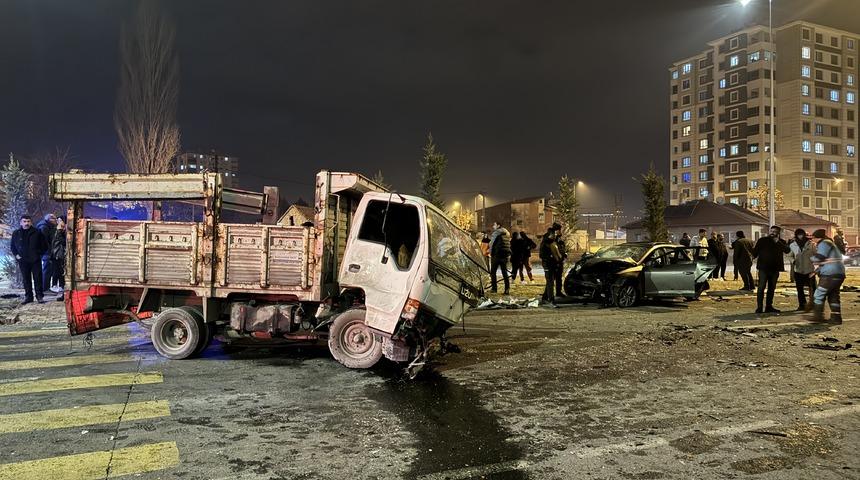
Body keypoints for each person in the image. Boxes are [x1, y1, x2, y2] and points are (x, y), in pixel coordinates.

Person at [809, 229, 845, 324]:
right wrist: (816, 271)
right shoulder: (829, 243)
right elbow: (827, 261)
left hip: (830, 274)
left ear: (818, 238)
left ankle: (818, 317)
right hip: (838, 274)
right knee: (833, 296)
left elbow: (820, 258)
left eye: (813, 238)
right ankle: (836, 318)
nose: (812, 240)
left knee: (818, 294)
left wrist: (810, 258)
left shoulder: (824, 243)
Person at [10, 214, 48, 304]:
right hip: (23, 260)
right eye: (24, 221)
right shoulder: (16, 233)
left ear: (31, 222)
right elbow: (12, 246)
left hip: (35, 259)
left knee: (38, 278)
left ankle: (39, 296)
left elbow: (45, 245)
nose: (26, 223)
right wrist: (17, 255)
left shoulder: (37, 232)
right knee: (26, 279)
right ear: (21, 223)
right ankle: (28, 297)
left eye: (28, 221)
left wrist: (39, 254)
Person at [752, 225, 790, 314]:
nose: (772, 233)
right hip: (763, 268)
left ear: (778, 233)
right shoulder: (763, 240)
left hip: (775, 268)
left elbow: (787, 251)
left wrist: (778, 242)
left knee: (771, 288)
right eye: (771, 231)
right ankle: (759, 307)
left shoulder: (781, 242)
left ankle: (769, 306)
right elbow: (755, 252)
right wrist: (752, 255)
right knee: (761, 287)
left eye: (775, 232)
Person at [788, 228, 816, 312]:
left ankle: (813, 305)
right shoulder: (793, 245)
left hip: (809, 269)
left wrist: (813, 261)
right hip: (798, 269)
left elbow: (816, 254)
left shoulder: (811, 244)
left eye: (801, 234)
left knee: (812, 288)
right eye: (798, 234)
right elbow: (789, 255)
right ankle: (802, 305)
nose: (800, 236)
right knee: (799, 289)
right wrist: (793, 261)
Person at [539, 228, 562, 305]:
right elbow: (542, 255)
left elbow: (557, 253)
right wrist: (550, 257)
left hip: (553, 265)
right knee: (550, 282)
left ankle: (545, 297)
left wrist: (558, 260)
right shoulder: (545, 243)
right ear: (550, 235)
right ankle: (550, 299)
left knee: (550, 282)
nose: (555, 235)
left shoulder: (553, 243)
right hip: (547, 264)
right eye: (554, 234)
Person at [36, 213, 58, 293]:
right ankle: (45, 288)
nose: (56, 221)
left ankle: (46, 287)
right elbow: (44, 241)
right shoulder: (44, 227)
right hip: (46, 252)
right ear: (50, 219)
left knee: (48, 270)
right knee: (47, 270)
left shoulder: (48, 226)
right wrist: (48, 251)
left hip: (47, 251)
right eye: (54, 219)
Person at [489, 222, 511, 295]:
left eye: (494, 225)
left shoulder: (496, 233)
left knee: (493, 272)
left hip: (496, 255)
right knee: (504, 272)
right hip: (505, 255)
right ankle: (507, 289)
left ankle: (494, 289)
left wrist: (491, 253)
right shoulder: (507, 233)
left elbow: (491, 244)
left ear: (498, 226)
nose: (493, 226)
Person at [51, 216, 68, 298]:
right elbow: (55, 242)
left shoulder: (64, 231)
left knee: (61, 271)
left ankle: (61, 286)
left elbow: (64, 242)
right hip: (57, 254)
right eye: (58, 220)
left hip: (62, 253)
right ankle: (56, 285)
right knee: (57, 270)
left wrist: (60, 231)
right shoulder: (56, 230)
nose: (59, 222)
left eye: (60, 220)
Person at [551, 223, 567, 297]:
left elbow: (562, 249)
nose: (561, 232)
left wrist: (564, 254)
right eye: (559, 230)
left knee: (558, 278)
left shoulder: (559, 239)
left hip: (559, 261)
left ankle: (558, 292)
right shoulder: (552, 239)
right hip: (554, 262)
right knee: (552, 279)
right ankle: (548, 294)